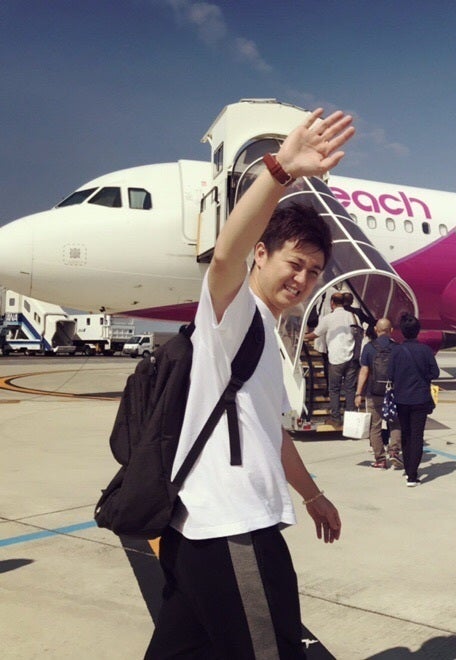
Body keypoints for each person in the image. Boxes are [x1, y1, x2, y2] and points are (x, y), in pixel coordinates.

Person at [145, 108, 354, 659]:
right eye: (295, 263)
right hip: (231, 530)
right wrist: (281, 169)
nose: (303, 279)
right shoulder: (236, 313)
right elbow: (225, 256)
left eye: (314, 271)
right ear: (261, 254)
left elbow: (270, 434)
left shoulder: (268, 333)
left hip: (206, 533)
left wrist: (312, 495)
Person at [388, 313, 439, 486]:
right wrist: (423, 377)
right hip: (420, 398)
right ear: (418, 331)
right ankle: (412, 474)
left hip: (401, 398)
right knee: (417, 435)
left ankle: (408, 468)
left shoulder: (396, 350)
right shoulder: (425, 350)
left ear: (402, 331)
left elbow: (390, 374)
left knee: (406, 433)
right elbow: (435, 373)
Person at [304, 292, 359, 428]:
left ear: (332, 303)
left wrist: (302, 337)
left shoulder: (328, 318)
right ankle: (350, 420)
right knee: (350, 389)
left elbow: (316, 334)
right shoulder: (352, 316)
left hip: (336, 358)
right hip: (351, 357)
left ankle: (336, 418)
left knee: (334, 389)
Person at [354, 318, 403, 469]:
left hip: (374, 392)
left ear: (376, 330)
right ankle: (394, 451)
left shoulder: (369, 347)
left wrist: (358, 393)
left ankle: (380, 459)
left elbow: (364, 371)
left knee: (374, 427)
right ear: (391, 330)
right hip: (393, 393)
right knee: (395, 423)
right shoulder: (397, 348)